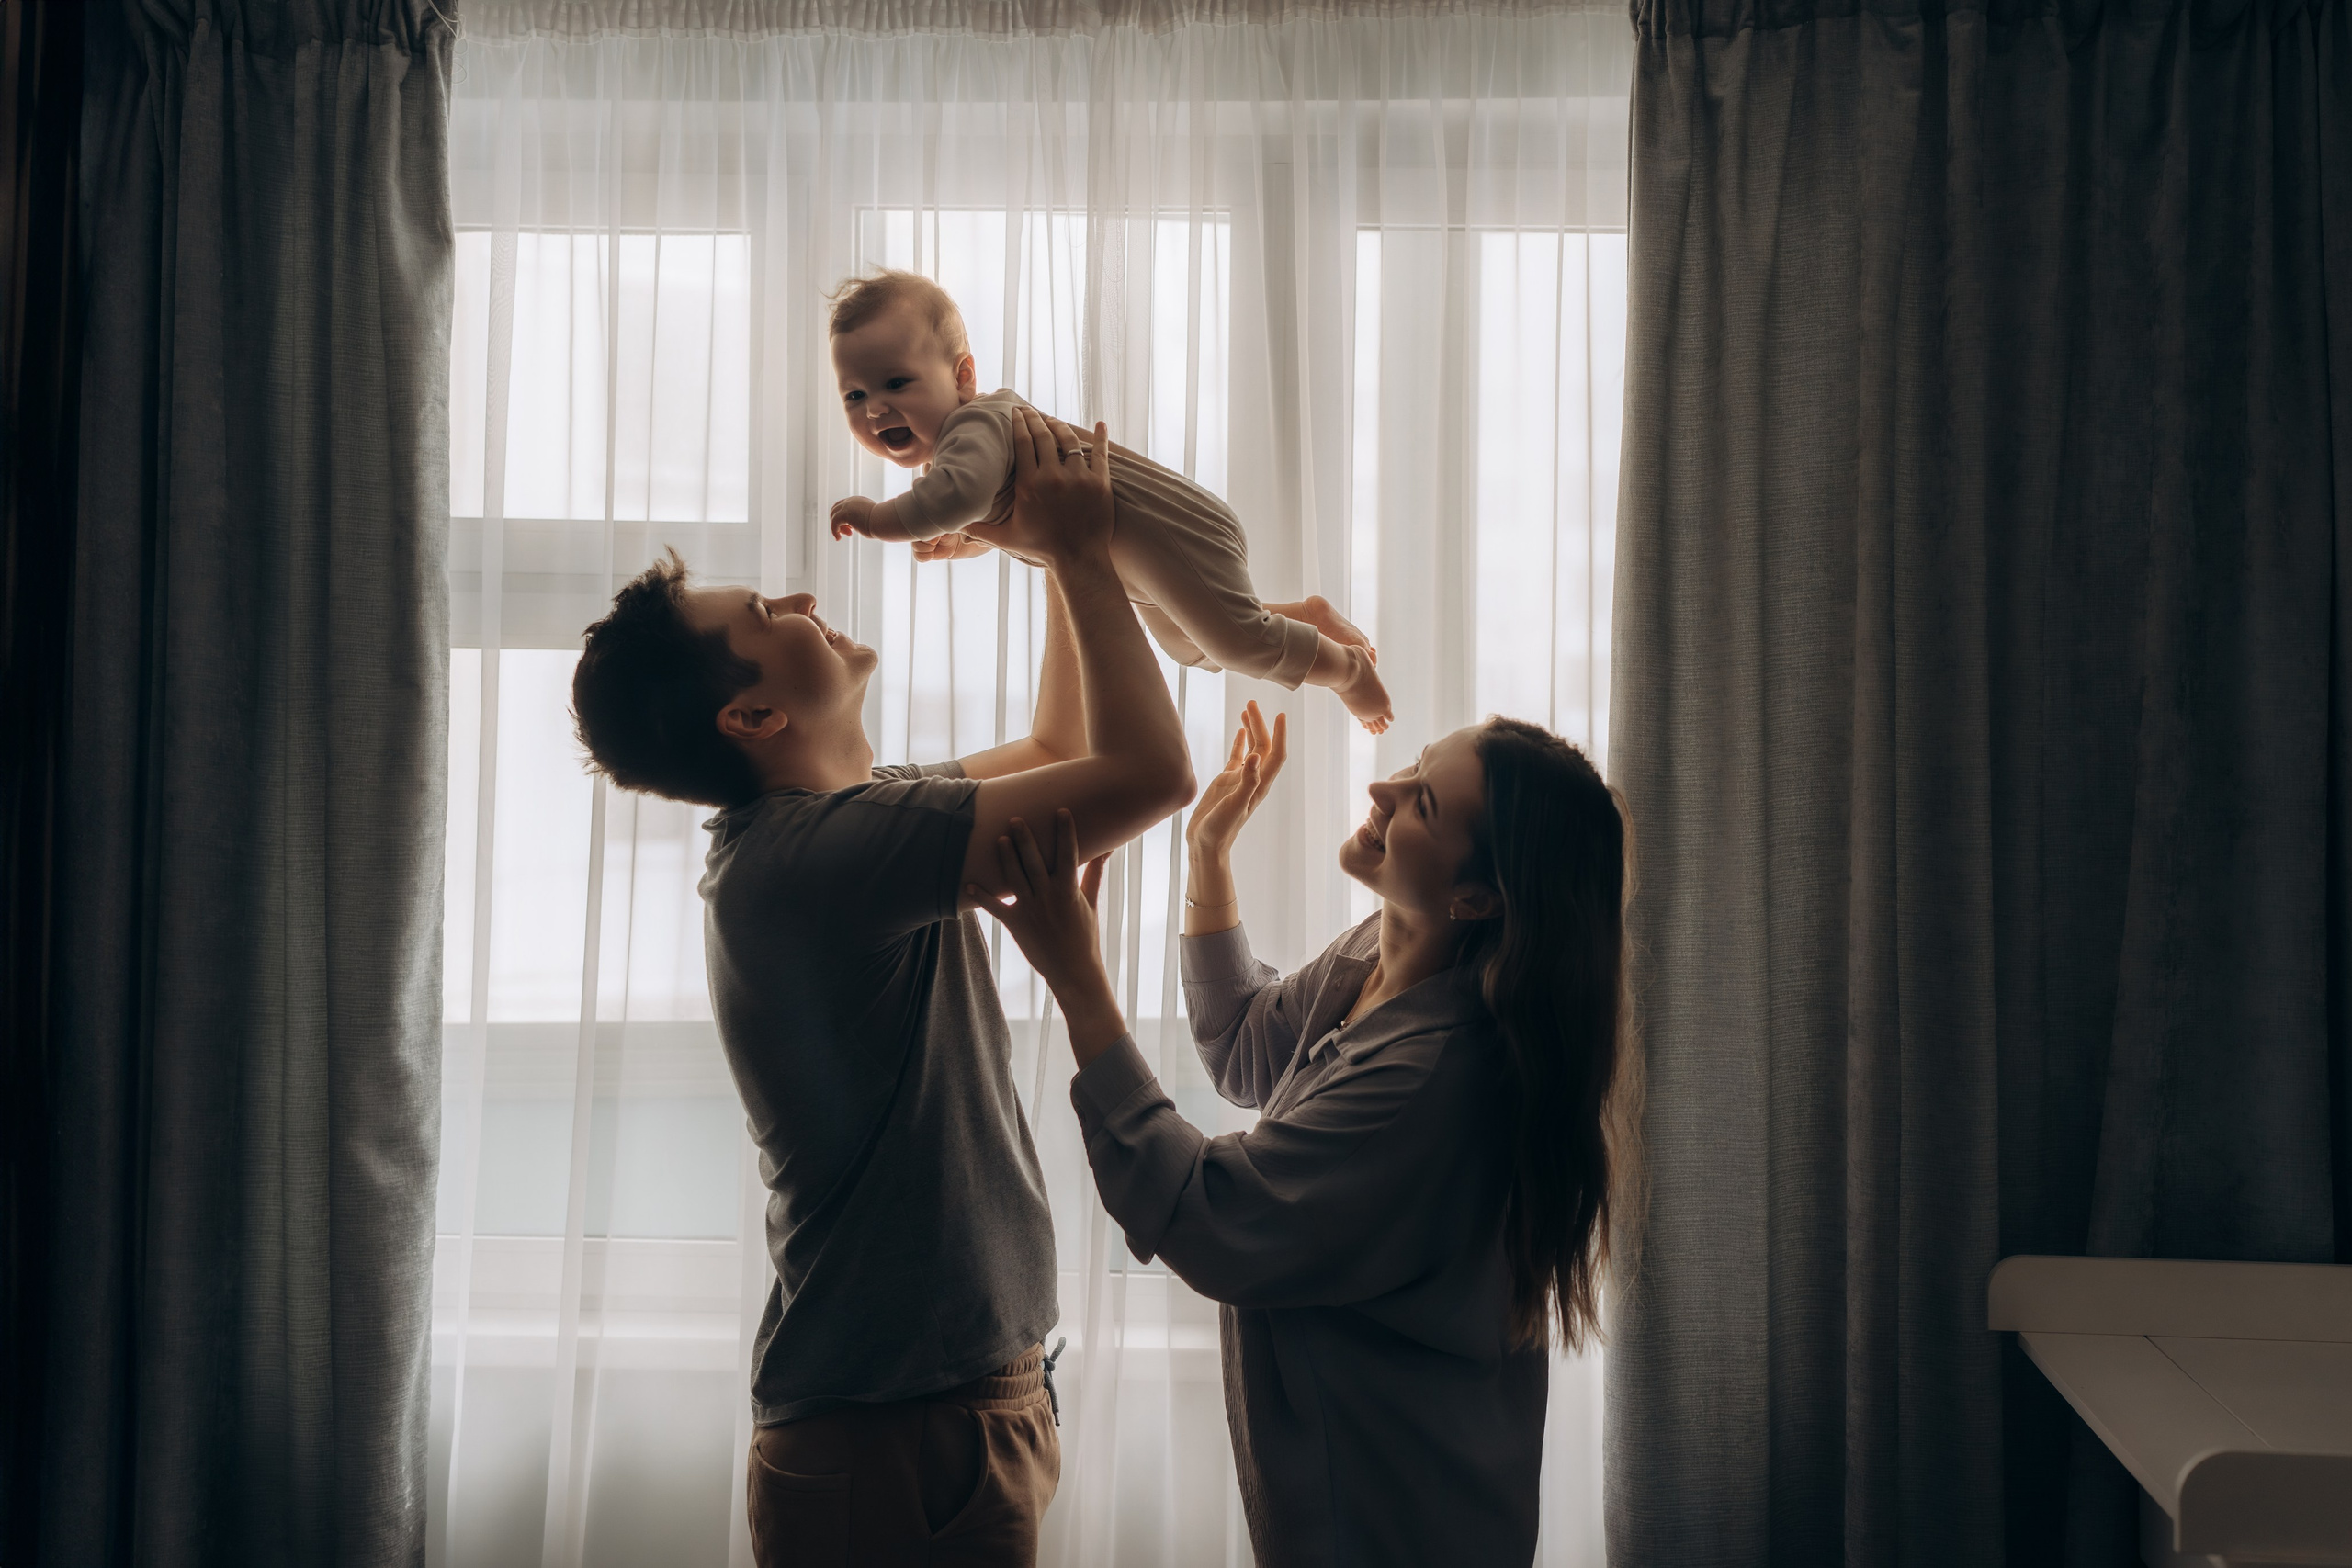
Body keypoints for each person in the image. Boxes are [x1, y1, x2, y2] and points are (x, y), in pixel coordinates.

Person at [569, 408, 1195, 1567]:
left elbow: (1064, 739)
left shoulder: (841, 833)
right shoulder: (817, 859)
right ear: (753, 718)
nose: (800, 602)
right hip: (895, 1436)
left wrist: (1044, 540)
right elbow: (1151, 772)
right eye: (765, 617)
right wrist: (1073, 548)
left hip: (937, 1415)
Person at [969, 703, 1637, 1568]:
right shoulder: (1381, 952)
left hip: (1399, 1524)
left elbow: (1208, 1215)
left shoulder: (1433, 1077)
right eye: (1414, 764)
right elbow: (1248, 1044)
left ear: (1475, 898)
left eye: (1423, 802)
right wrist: (1207, 857)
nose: (1381, 787)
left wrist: (1078, 979)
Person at [820, 268, 1395, 734]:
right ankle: (1307, 617)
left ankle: (1348, 671)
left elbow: (956, 497)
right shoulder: (963, 452)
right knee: (1188, 645)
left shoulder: (974, 426)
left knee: (1239, 643)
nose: (874, 409)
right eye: (855, 394)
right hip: (1132, 561)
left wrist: (874, 517)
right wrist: (965, 542)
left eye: (896, 384)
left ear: (963, 375)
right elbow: (1004, 516)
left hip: (1172, 530)